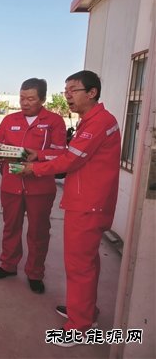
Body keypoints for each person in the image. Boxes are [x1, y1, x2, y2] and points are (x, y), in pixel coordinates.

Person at [19, 70, 120, 347]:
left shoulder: (98, 123)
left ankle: (79, 326)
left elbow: (68, 162)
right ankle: (85, 311)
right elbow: (70, 154)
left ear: (92, 92)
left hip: (88, 204)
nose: (67, 96)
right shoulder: (93, 121)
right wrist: (40, 155)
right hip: (88, 202)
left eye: (73, 90)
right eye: (65, 91)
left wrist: (33, 169)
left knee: (79, 266)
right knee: (87, 263)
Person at [0, 78, 67, 294]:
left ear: (43, 99)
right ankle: (8, 265)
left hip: (40, 187)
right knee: (10, 227)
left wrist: (38, 156)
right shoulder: (9, 120)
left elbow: (61, 154)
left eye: (31, 99)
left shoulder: (54, 121)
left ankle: (35, 273)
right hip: (11, 184)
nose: (25, 103)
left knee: (38, 232)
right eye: (22, 98)